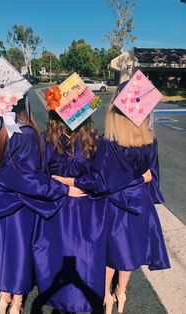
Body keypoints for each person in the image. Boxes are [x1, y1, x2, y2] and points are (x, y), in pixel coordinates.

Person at [0, 96, 83, 314]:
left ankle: (4, 300)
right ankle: (17, 303)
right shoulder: (25, 135)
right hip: (19, 209)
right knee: (18, 256)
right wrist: (64, 190)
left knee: (2, 253)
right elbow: (29, 180)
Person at [53, 84, 171, 314]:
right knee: (128, 252)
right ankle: (121, 291)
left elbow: (101, 182)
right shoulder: (150, 140)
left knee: (110, 254)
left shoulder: (110, 143)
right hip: (139, 207)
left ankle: (106, 294)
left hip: (115, 207)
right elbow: (152, 176)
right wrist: (141, 180)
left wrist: (70, 181)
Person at [32, 110, 108, 313]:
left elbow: (102, 179)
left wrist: (74, 183)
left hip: (86, 209)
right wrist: (65, 189)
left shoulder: (93, 140)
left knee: (85, 262)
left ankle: (80, 303)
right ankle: (66, 303)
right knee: (57, 258)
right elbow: (38, 178)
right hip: (57, 210)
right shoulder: (44, 141)